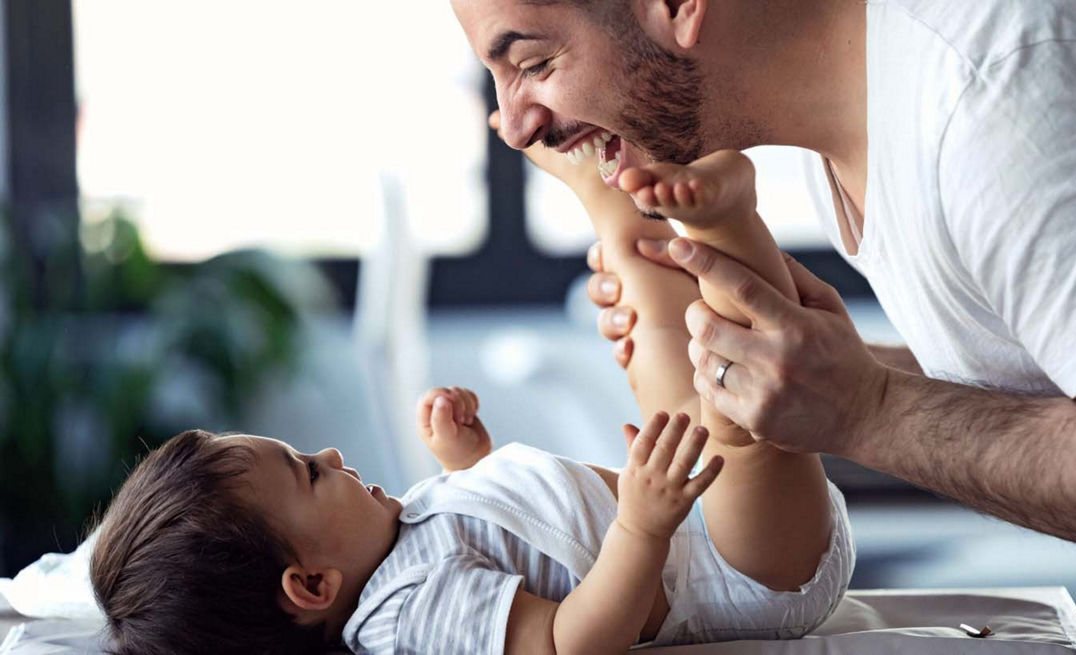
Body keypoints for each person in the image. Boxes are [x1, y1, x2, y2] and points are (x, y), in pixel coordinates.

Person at [450, 0, 1076, 652]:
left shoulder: (994, 97)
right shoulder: (859, 118)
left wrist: (867, 408)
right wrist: (823, 371)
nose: (515, 124)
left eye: (534, 62)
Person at [87, 143, 853, 654]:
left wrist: (469, 459)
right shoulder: (407, 613)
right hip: (745, 575)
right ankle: (732, 222)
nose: (329, 453)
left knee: (665, 340)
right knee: (737, 403)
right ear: (312, 585)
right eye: (309, 472)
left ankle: (613, 191)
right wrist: (642, 524)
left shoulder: (397, 535)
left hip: (700, 523)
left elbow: (505, 539)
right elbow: (565, 639)